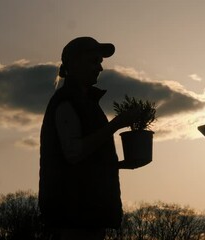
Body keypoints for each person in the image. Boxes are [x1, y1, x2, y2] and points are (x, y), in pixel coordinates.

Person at [39, 37, 141, 240]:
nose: (100, 68)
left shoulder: (85, 102)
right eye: (94, 61)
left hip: (86, 214)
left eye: (100, 62)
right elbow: (74, 153)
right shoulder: (67, 101)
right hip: (73, 215)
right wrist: (116, 124)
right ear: (74, 63)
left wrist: (118, 164)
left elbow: (82, 158)